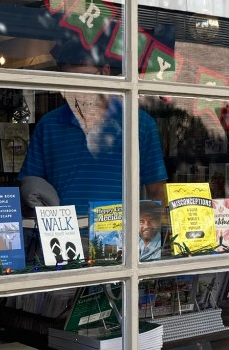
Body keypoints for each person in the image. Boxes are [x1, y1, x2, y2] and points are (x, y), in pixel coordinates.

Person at [18, 39, 167, 220]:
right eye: (70, 81)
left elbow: (156, 192)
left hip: (123, 236)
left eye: (87, 79)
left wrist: (154, 235)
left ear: (105, 72)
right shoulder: (48, 125)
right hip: (63, 233)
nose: (79, 89)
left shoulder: (140, 124)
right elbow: (30, 187)